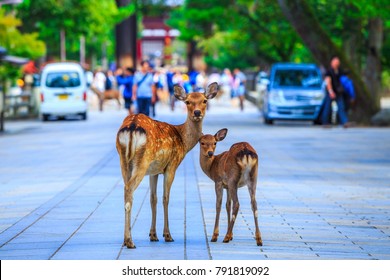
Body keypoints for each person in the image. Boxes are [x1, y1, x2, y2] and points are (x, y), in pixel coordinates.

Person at [321, 56, 349, 127]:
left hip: (338, 92)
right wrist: (330, 91)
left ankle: (344, 122)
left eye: (338, 62)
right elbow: (328, 81)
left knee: (341, 107)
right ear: (332, 62)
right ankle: (325, 122)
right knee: (327, 107)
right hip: (331, 92)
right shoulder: (329, 71)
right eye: (335, 62)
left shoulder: (339, 71)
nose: (337, 63)